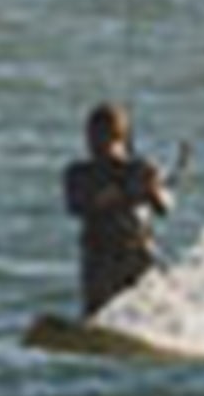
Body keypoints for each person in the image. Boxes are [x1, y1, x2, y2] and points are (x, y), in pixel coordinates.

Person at [63, 99, 171, 318]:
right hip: (100, 255)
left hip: (136, 252)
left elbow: (163, 209)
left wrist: (153, 190)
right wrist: (109, 198)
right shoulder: (78, 173)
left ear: (119, 138)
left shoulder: (140, 169)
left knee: (156, 300)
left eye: (101, 136)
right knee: (96, 310)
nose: (94, 143)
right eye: (91, 136)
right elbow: (75, 206)